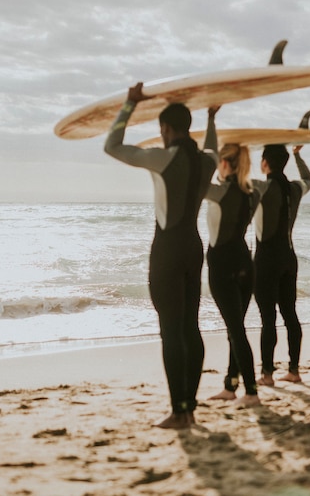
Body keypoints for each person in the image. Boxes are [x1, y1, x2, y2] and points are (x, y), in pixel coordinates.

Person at [104, 82, 217, 429]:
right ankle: (190, 408)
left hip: (167, 250)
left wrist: (129, 104)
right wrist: (212, 119)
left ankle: (179, 411)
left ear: (165, 129)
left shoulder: (161, 156)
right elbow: (212, 147)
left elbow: (112, 146)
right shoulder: (207, 162)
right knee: (190, 328)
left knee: (170, 331)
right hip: (193, 248)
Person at [203, 108, 261, 408]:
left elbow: (204, 161)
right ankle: (231, 386)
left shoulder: (218, 192)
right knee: (234, 328)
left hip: (222, 265)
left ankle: (251, 392)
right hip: (244, 262)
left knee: (236, 330)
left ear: (224, 163)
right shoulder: (253, 193)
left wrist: (211, 121)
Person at [252, 144, 310, 386]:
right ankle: (294, 370)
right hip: (289, 257)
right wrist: (298, 155)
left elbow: (231, 182)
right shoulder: (295, 188)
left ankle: (267, 374)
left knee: (268, 317)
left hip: (267, 259)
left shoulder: (262, 186)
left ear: (265, 162)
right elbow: (309, 179)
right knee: (290, 314)